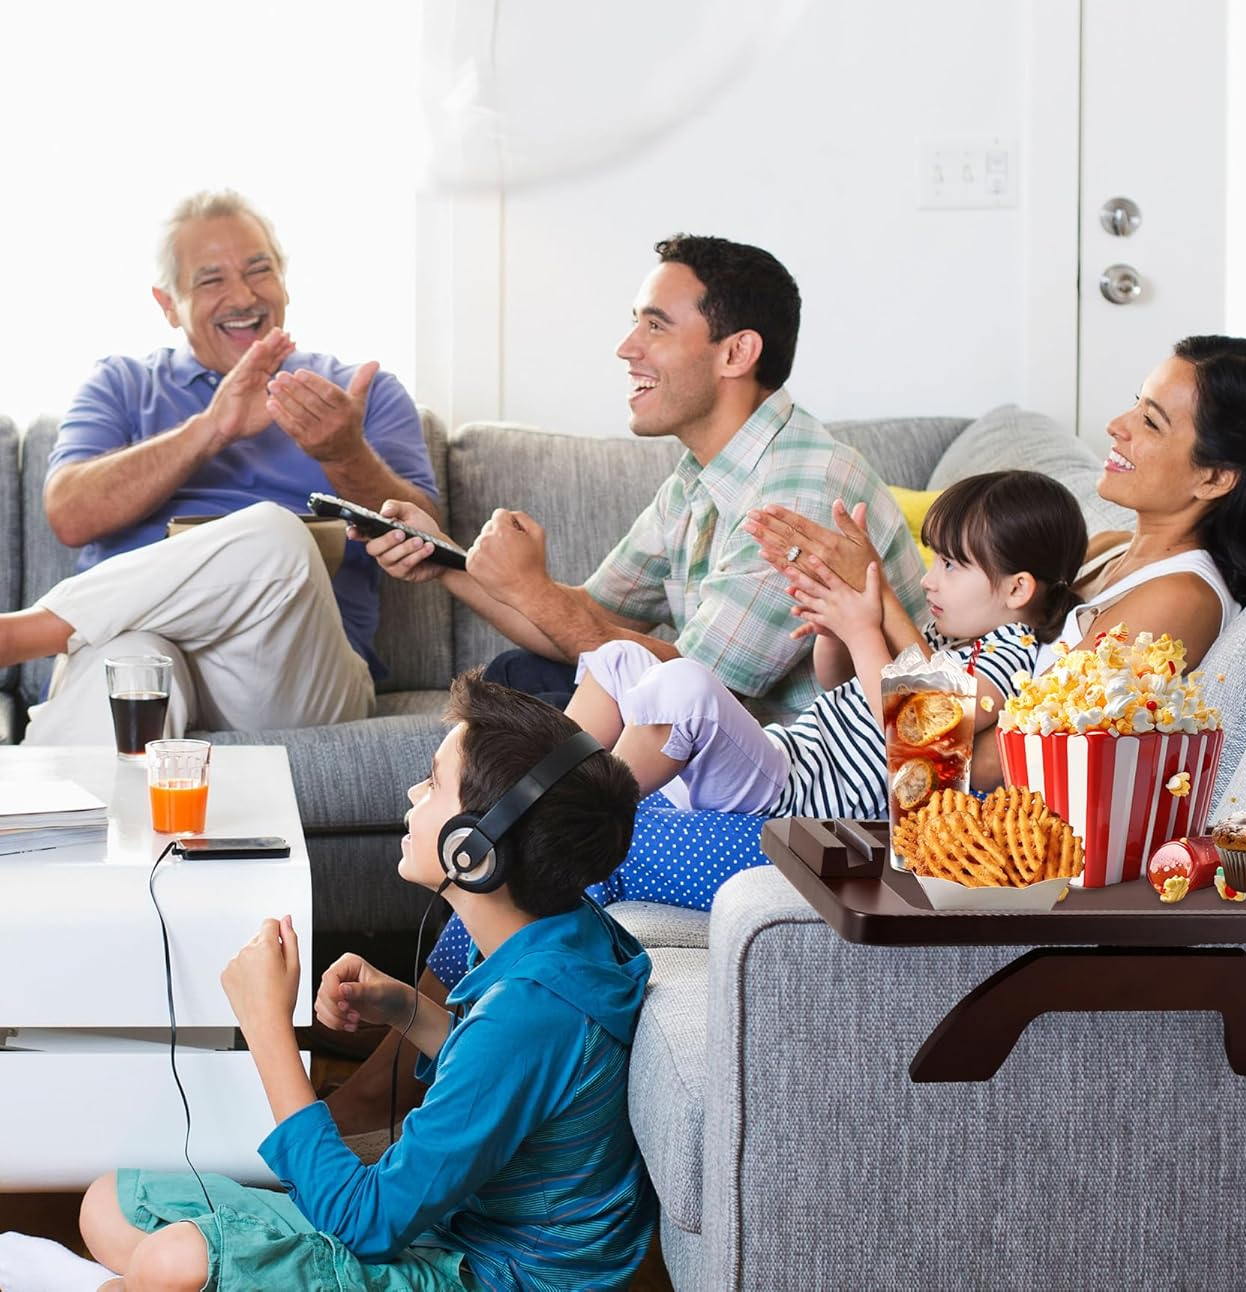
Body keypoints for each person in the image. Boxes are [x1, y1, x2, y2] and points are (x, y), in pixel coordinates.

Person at [0, 676, 653, 1292]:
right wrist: (404, 1006)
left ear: (472, 851)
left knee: (175, 1260)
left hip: (479, 1271)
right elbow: (519, 1077)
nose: (411, 796)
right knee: (109, 1204)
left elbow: (365, 1223)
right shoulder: (566, 935)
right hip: (446, 1223)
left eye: (432, 785)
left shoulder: (532, 1014)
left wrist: (268, 1027)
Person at [363, 233, 926, 722]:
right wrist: (442, 559)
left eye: (655, 326)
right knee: (525, 675)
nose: (626, 348)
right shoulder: (697, 480)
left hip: (806, 781)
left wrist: (530, 589)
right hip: (718, 734)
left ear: (736, 353)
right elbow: (592, 619)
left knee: (532, 690)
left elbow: (699, 690)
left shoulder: (799, 489)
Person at [0, 189, 438, 741]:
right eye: (211, 280)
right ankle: (51, 827)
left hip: (293, 675)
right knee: (131, 663)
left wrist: (342, 452)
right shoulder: (121, 384)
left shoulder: (355, 393)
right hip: (135, 644)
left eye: (260, 271)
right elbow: (69, 514)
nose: (244, 295)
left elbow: (425, 539)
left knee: (277, 538)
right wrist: (210, 429)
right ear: (167, 304)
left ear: (284, 280)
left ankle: (25, 635)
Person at [750, 334, 1246, 684]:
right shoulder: (1107, 550)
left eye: (1150, 422)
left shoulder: (1181, 602)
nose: (1116, 427)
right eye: (1135, 404)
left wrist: (876, 609)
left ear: (1215, 476)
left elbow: (1003, 759)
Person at [565, 471, 1088, 824]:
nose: (930, 582)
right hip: (782, 756)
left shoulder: (1012, 656)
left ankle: (587, 823)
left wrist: (865, 628)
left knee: (686, 685)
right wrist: (834, 629)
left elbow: (928, 725)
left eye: (951, 566)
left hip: (800, 802)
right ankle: (549, 796)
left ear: (1018, 588)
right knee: (620, 659)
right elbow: (840, 684)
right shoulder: (942, 638)